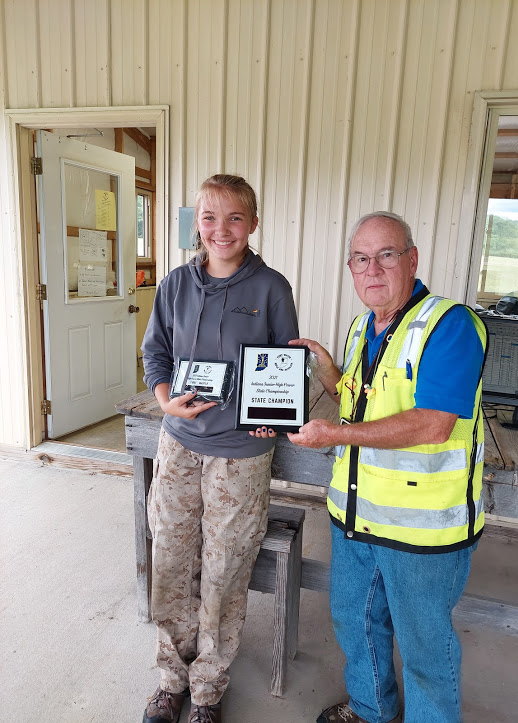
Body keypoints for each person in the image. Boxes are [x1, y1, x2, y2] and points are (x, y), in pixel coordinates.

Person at [288, 211, 487, 723]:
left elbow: (432, 425)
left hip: (422, 531)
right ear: (351, 269)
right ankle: (371, 709)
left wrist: (330, 434)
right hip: (356, 516)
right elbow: (357, 402)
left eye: (386, 255)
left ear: (412, 259)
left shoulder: (450, 324)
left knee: (425, 649)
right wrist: (330, 371)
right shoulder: (362, 327)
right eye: (360, 258)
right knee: (356, 621)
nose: (372, 269)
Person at [141, 174, 298, 723]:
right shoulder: (175, 285)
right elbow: (155, 351)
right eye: (210, 217)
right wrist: (165, 400)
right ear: (197, 225)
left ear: (253, 223)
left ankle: (207, 687)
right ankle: (170, 677)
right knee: (170, 555)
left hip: (240, 452)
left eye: (234, 217)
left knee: (227, 564)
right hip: (179, 443)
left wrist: (272, 420)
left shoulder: (271, 288)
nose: (221, 229)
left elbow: (285, 367)